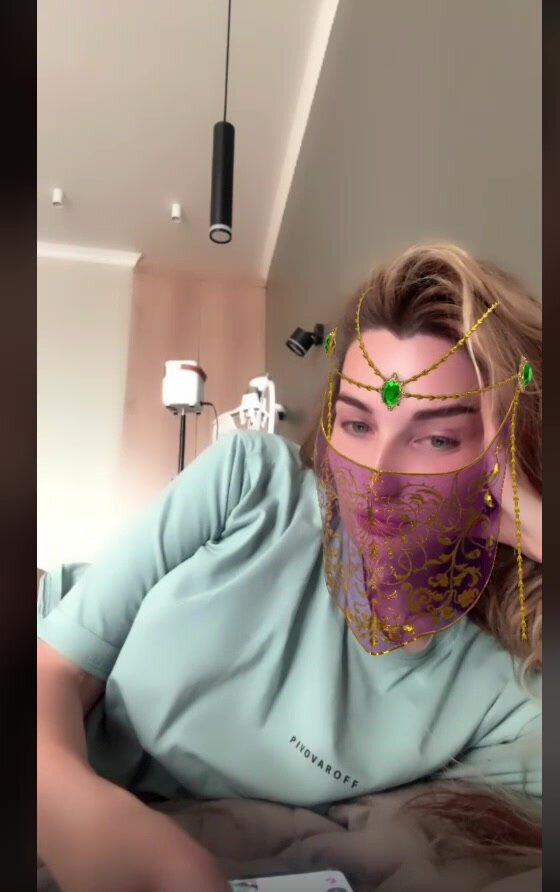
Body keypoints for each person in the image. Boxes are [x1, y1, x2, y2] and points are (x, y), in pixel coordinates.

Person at [37, 243, 542, 892]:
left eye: (436, 438)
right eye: (357, 425)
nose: (375, 482)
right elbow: (56, 670)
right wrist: (82, 818)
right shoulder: (249, 483)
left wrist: (533, 521)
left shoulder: (496, 691)